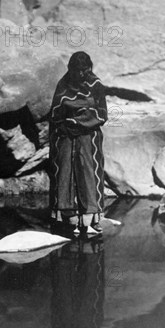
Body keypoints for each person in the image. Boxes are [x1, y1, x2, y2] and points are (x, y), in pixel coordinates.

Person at [49, 52, 108, 236]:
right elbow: (55, 112)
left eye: (84, 70)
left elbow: (101, 114)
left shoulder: (95, 85)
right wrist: (67, 125)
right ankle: (67, 217)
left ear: (89, 68)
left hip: (88, 136)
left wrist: (79, 122)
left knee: (88, 172)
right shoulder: (63, 84)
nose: (81, 74)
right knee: (65, 172)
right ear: (70, 69)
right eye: (77, 70)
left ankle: (90, 219)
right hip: (66, 135)